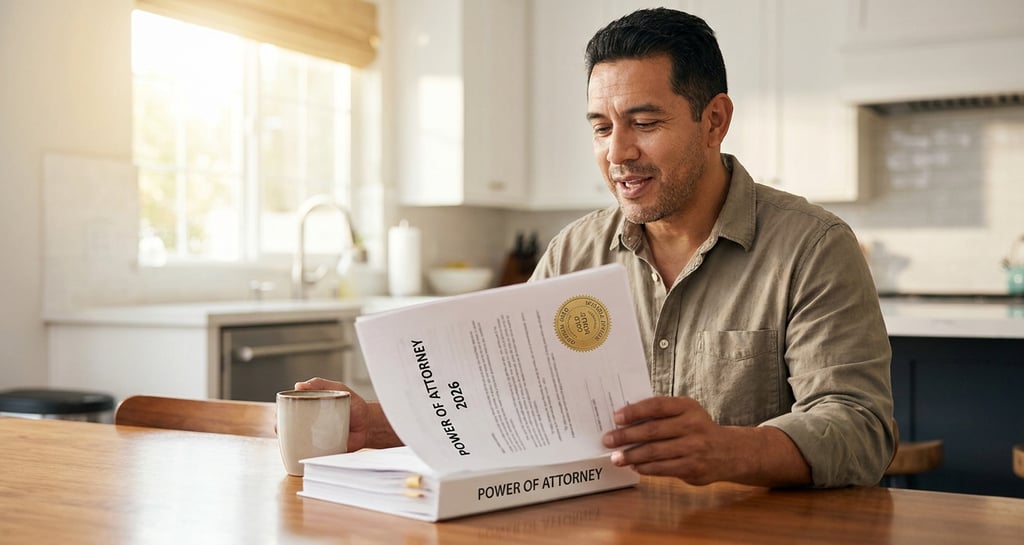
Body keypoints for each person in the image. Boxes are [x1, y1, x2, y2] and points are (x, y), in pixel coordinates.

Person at [298, 7, 895, 489]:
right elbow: (511, 410)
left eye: (645, 122)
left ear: (714, 121)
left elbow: (861, 428)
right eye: (602, 127)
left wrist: (729, 450)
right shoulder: (573, 253)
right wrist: (381, 426)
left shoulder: (813, 247)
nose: (618, 153)